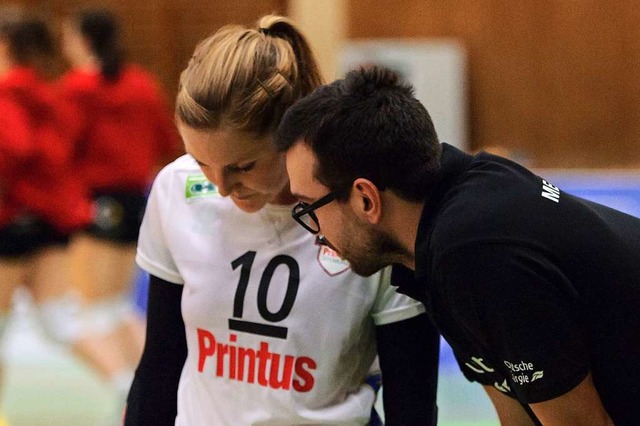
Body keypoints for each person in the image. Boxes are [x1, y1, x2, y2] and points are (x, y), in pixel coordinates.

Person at [275, 64, 640, 425]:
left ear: (366, 199)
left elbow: (580, 424)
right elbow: (518, 414)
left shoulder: (475, 253)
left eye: (311, 207)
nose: (315, 231)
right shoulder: (433, 242)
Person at [125, 16, 440, 426]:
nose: (221, 187)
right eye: (202, 162)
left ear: (291, 134)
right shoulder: (176, 190)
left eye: (244, 166)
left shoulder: (370, 212)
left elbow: (411, 400)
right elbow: (161, 364)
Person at [0, 8, 134, 423]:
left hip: (11, 223)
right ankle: (129, 388)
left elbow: (13, 151)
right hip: (53, 223)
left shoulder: (10, 95)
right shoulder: (52, 93)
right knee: (60, 321)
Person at [57, 7, 180, 401]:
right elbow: (166, 142)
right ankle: (155, 389)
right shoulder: (142, 84)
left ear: (82, 40)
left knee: (86, 314)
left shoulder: (78, 88)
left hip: (97, 206)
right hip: (136, 204)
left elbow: (59, 149)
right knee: (117, 309)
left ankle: (129, 392)